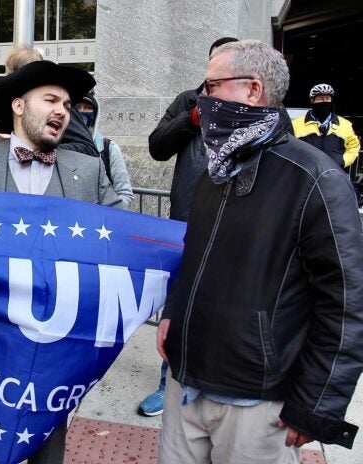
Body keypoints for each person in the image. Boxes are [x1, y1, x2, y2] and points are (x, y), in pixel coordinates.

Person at [156, 40, 363, 463]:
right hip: (186, 384)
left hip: (257, 402)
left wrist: (317, 404)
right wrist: (173, 313)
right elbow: (195, 257)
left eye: (211, 86)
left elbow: (346, 302)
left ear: (252, 90)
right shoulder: (214, 172)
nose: (202, 98)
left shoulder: (316, 179)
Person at [0, 60, 122, 463]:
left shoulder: (88, 171)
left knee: (49, 447)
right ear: (18, 106)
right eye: (50, 100)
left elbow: (128, 237)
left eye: (68, 105)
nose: (62, 111)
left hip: (57, 343)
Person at [140, 37, 239, 416]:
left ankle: (219, 382)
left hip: (237, 221)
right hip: (188, 217)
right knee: (179, 300)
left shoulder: (259, 110)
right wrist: (192, 118)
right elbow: (156, 146)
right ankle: (170, 383)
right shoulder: (188, 100)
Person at [4, 43, 99, 157]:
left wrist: (41, 151)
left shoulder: (60, 106)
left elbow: (88, 149)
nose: (61, 111)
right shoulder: (9, 106)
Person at [76, 90, 134, 209]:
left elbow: (125, 193)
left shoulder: (109, 149)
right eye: (78, 107)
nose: (82, 111)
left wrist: (107, 216)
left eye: (87, 108)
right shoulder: (59, 147)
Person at [291, 83, 360, 169]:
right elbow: (289, 148)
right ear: (312, 101)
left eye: (327, 98)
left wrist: (343, 160)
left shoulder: (345, 124)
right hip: (306, 174)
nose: (324, 102)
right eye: (320, 99)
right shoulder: (296, 124)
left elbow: (354, 146)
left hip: (334, 174)